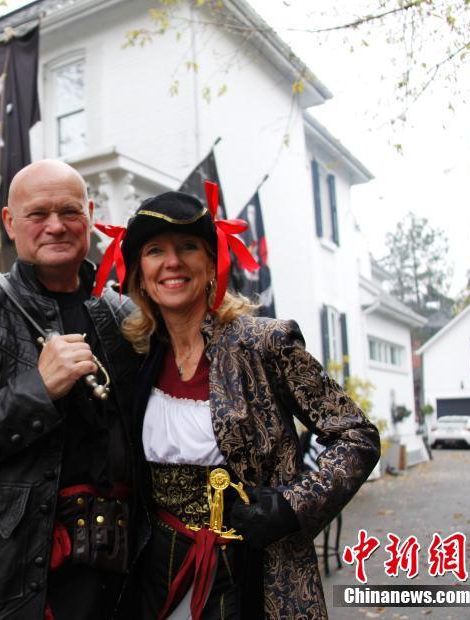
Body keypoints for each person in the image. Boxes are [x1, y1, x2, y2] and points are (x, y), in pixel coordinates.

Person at [104, 188, 380, 619]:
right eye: (155, 250)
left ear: (212, 264)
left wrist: (291, 506)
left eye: (187, 247)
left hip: (251, 571)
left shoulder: (263, 343)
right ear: (140, 274)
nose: (172, 262)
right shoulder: (139, 356)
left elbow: (357, 435)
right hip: (158, 573)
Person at [0, 159, 141, 619]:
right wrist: (38, 389)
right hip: (14, 576)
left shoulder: (126, 314)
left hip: (123, 572)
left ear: (89, 215)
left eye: (69, 211)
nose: (56, 226)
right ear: (10, 222)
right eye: (38, 213)